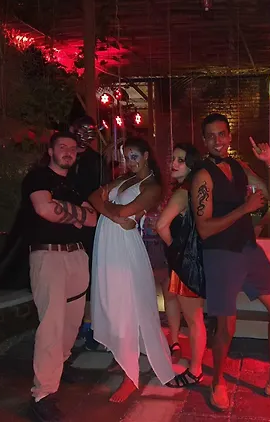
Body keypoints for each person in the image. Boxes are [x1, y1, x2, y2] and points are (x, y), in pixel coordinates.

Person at [191, 113, 270, 411]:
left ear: (229, 137)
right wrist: (244, 209)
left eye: (222, 134)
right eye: (211, 136)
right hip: (221, 253)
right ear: (204, 141)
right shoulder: (202, 176)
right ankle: (217, 382)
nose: (217, 140)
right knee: (226, 327)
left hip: (248, 250)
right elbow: (204, 228)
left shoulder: (239, 167)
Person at [89, 137, 181, 403]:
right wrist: (114, 214)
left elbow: (126, 210)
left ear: (146, 156)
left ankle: (131, 377)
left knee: (126, 307)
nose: (129, 162)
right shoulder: (124, 179)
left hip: (124, 249)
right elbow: (94, 198)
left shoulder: (152, 187)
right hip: (107, 243)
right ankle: (122, 356)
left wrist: (112, 210)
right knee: (110, 303)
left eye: (134, 156)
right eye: (126, 157)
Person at [22, 132, 97, 422]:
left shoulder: (76, 184)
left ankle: (60, 366)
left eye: (72, 148)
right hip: (48, 256)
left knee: (72, 321)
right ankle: (42, 393)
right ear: (50, 150)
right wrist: (77, 215)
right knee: (52, 324)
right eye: (62, 147)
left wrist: (63, 209)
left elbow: (92, 218)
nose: (68, 151)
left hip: (76, 256)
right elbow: (44, 209)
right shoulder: (38, 177)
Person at [156, 142, 206, 386]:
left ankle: (196, 370)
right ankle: (175, 343)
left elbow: (161, 225)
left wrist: (176, 252)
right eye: (173, 159)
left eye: (180, 160)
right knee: (172, 295)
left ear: (191, 165)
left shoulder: (184, 191)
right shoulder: (189, 189)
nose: (173, 164)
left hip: (187, 262)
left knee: (195, 319)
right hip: (187, 260)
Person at [68, 115, 110, 350]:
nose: (85, 136)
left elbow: (102, 191)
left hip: (90, 225)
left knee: (91, 275)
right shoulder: (64, 156)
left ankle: (91, 325)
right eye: (81, 130)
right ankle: (74, 326)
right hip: (64, 225)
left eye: (90, 131)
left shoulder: (96, 161)